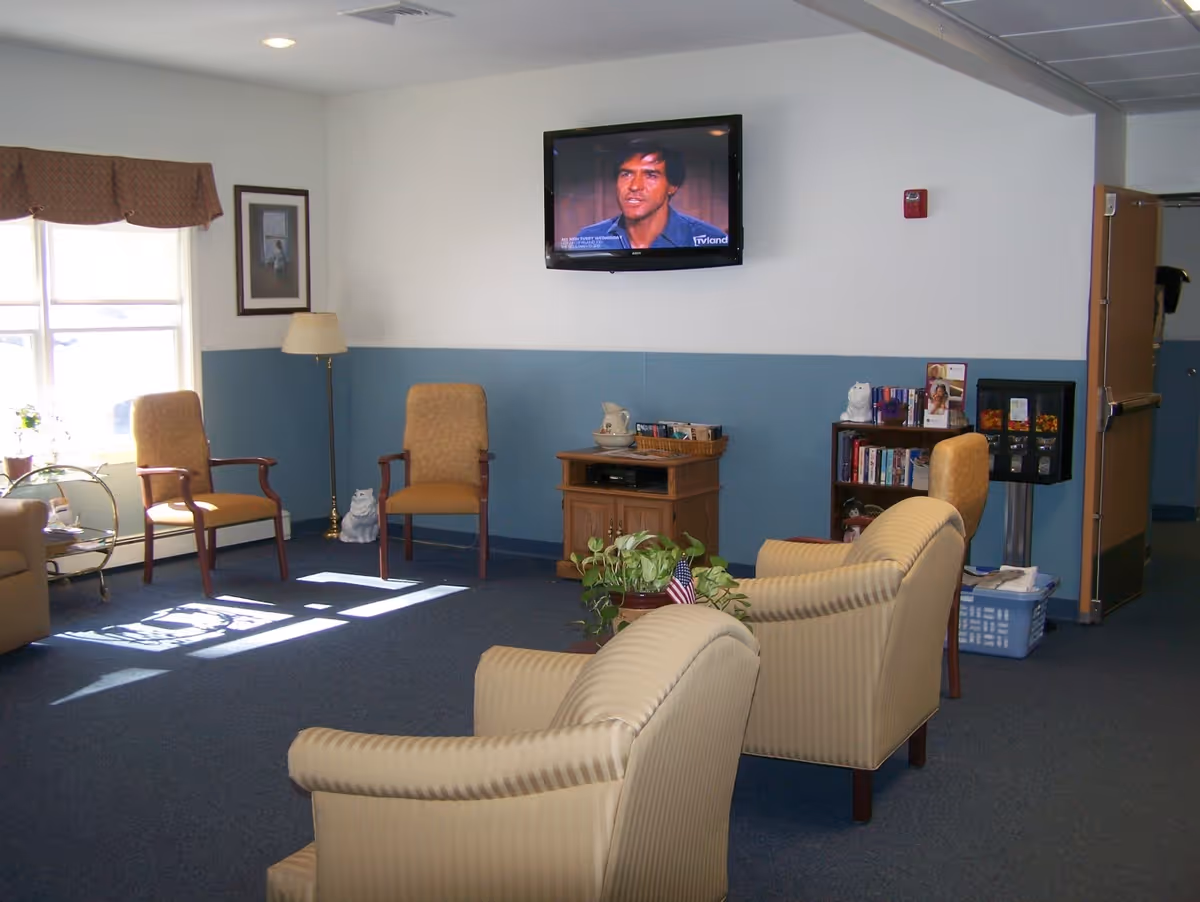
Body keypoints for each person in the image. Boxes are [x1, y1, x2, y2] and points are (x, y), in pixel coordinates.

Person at [573, 139, 728, 250]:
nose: (634, 186)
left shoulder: (708, 238)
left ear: (673, 186)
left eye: (651, 175)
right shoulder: (589, 238)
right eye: (626, 174)